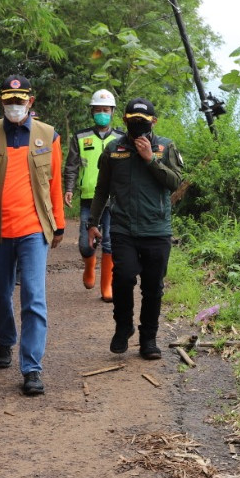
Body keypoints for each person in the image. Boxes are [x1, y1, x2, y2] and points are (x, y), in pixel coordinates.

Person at [0, 75, 65, 396]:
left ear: (30, 102)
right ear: (2, 102)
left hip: (33, 229)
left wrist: (58, 224)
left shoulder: (48, 135)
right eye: (9, 101)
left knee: (34, 297)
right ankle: (6, 339)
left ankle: (32, 368)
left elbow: (54, 183)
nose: (15, 106)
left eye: (20, 101)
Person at [87, 98, 183, 360]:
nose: (138, 125)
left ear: (154, 122)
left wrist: (151, 159)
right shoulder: (113, 149)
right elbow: (101, 189)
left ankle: (148, 339)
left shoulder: (165, 146)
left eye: (143, 121)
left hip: (157, 229)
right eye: (133, 121)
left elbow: (175, 183)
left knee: (153, 287)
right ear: (125, 121)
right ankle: (123, 326)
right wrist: (92, 223)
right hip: (123, 228)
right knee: (123, 278)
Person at [63, 89, 125, 302]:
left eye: (105, 110)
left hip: (114, 199)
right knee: (84, 244)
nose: (101, 113)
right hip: (89, 198)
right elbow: (71, 166)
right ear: (92, 112)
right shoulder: (81, 137)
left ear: (112, 112)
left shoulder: (121, 138)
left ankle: (106, 285)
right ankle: (89, 266)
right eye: (97, 110)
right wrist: (69, 188)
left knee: (109, 241)